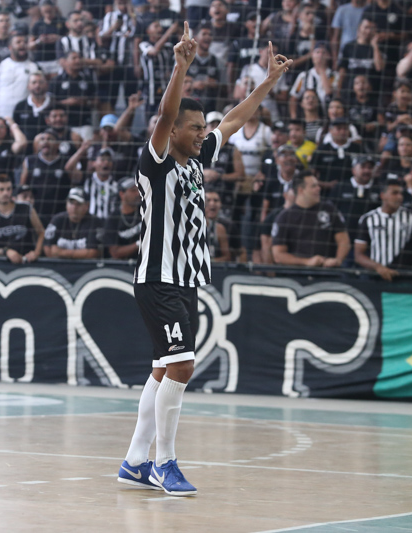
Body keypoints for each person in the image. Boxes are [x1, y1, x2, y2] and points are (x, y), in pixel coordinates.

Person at [118, 23, 291, 497]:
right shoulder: (158, 161)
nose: (202, 134)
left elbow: (233, 120)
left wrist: (268, 82)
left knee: (163, 368)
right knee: (182, 365)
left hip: (186, 278)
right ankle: (164, 463)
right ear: (172, 131)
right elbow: (166, 114)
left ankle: (134, 461)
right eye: (194, 128)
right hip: (158, 276)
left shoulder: (196, 160)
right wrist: (181, 66)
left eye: (201, 129)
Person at [271, 173, 351, 267]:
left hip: (328, 272)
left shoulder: (329, 210)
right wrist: (306, 262)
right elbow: (278, 255)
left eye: (318, 185)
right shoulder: (284, 217)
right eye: (314, 186)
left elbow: (344, 241)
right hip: (295, 274)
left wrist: (337, 260)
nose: (319, 188)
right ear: (301, 190)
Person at [354, 180, 412, 280]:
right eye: (394, 193)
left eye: (401, 193)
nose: (400, 197)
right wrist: (378, 267)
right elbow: (358, 255)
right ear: (383, 195)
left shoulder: (411, 217)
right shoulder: (368, 219)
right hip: (375, 276)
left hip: (404, 274)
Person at [0, 27, 42, 131]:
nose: (22, 44)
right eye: (18, 42)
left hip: (25, 118)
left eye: (25, 42)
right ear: (10, 47)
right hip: (1, 118)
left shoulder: (34, 67)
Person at [0, 174, 45, 263]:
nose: (6, 193)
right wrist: (6, 251)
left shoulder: (26, 208)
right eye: (1, 189)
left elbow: (42, 233)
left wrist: (36, 253)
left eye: (8, 189)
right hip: (2, 262)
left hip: (27, 260)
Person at [20, 128, 76, 222]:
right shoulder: (30, 161)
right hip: (36, 212)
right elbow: (22, 187)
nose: (45, 141)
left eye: (49, 139)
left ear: (58, 144)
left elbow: (74, 183)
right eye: (42, 139)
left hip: (60, 212)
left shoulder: (66, 162)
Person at [330, 155, 382, 238]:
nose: (367, 170)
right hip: (345, 235)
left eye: (370, 167)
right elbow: (332, 210)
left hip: (371, 236)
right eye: (363, 167)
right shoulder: (340, 187)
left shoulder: (378, 189)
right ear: (353, 170)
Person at [43, 187, 103, 259]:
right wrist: (80, 253)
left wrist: (61, 252)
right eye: (71, 203)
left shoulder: (95, 222)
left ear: (87, 206)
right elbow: (48, 249)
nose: (74, 207)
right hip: (59, 266)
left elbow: (93, 253)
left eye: (78, 204)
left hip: (88, 267)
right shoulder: (57, 219)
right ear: (66, 204)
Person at [102, 177, 142, 259]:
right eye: (133, 190)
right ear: (122, 194)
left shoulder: (146, 212)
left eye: (138, 189)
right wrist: (140, 244)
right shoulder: (113, 218)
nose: (138, 193)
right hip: (121, 267)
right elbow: (115, 253)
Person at [13, 72, 53, 141]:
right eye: (34, 82)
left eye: (40, 82)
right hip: (25, 147)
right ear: (28, 86)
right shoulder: (20, 106)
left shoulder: (54, 105)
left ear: (46, 85)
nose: (37, 85)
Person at [205, 189, 232, 261]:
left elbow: (227, 257)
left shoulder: (221, 228)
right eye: (208, 200)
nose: (212, 203)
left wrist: (210, 262)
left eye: (215, 200)